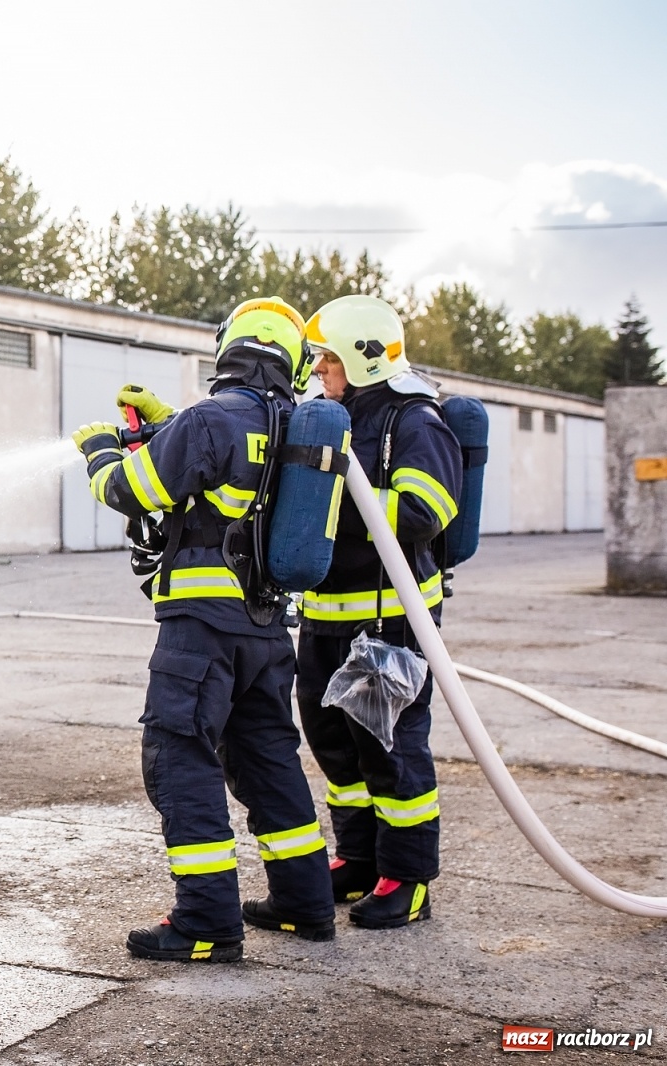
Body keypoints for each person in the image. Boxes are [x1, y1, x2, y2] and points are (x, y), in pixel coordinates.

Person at [72, 298, 335, 963]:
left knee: (179, 759)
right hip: (266, 630)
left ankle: (207, 923)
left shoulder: (213, 418)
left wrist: (103, 450)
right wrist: (168, 426)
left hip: (200, 631)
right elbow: (218, 469)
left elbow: (133, 491)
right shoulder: (293, 426)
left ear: (232, 350)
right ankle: (305, 906)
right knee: (269, 761)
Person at [296, 294, 463, 929]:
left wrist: (338, 502)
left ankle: (408, 877)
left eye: (328, 359)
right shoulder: (326, 416)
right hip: (323, 617)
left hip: (388, 619)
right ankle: (360, 859)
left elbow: (428, 509)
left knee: (389, 748)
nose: (318, 371)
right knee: (335, 745)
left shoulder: (412, 420)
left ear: (364, 358)